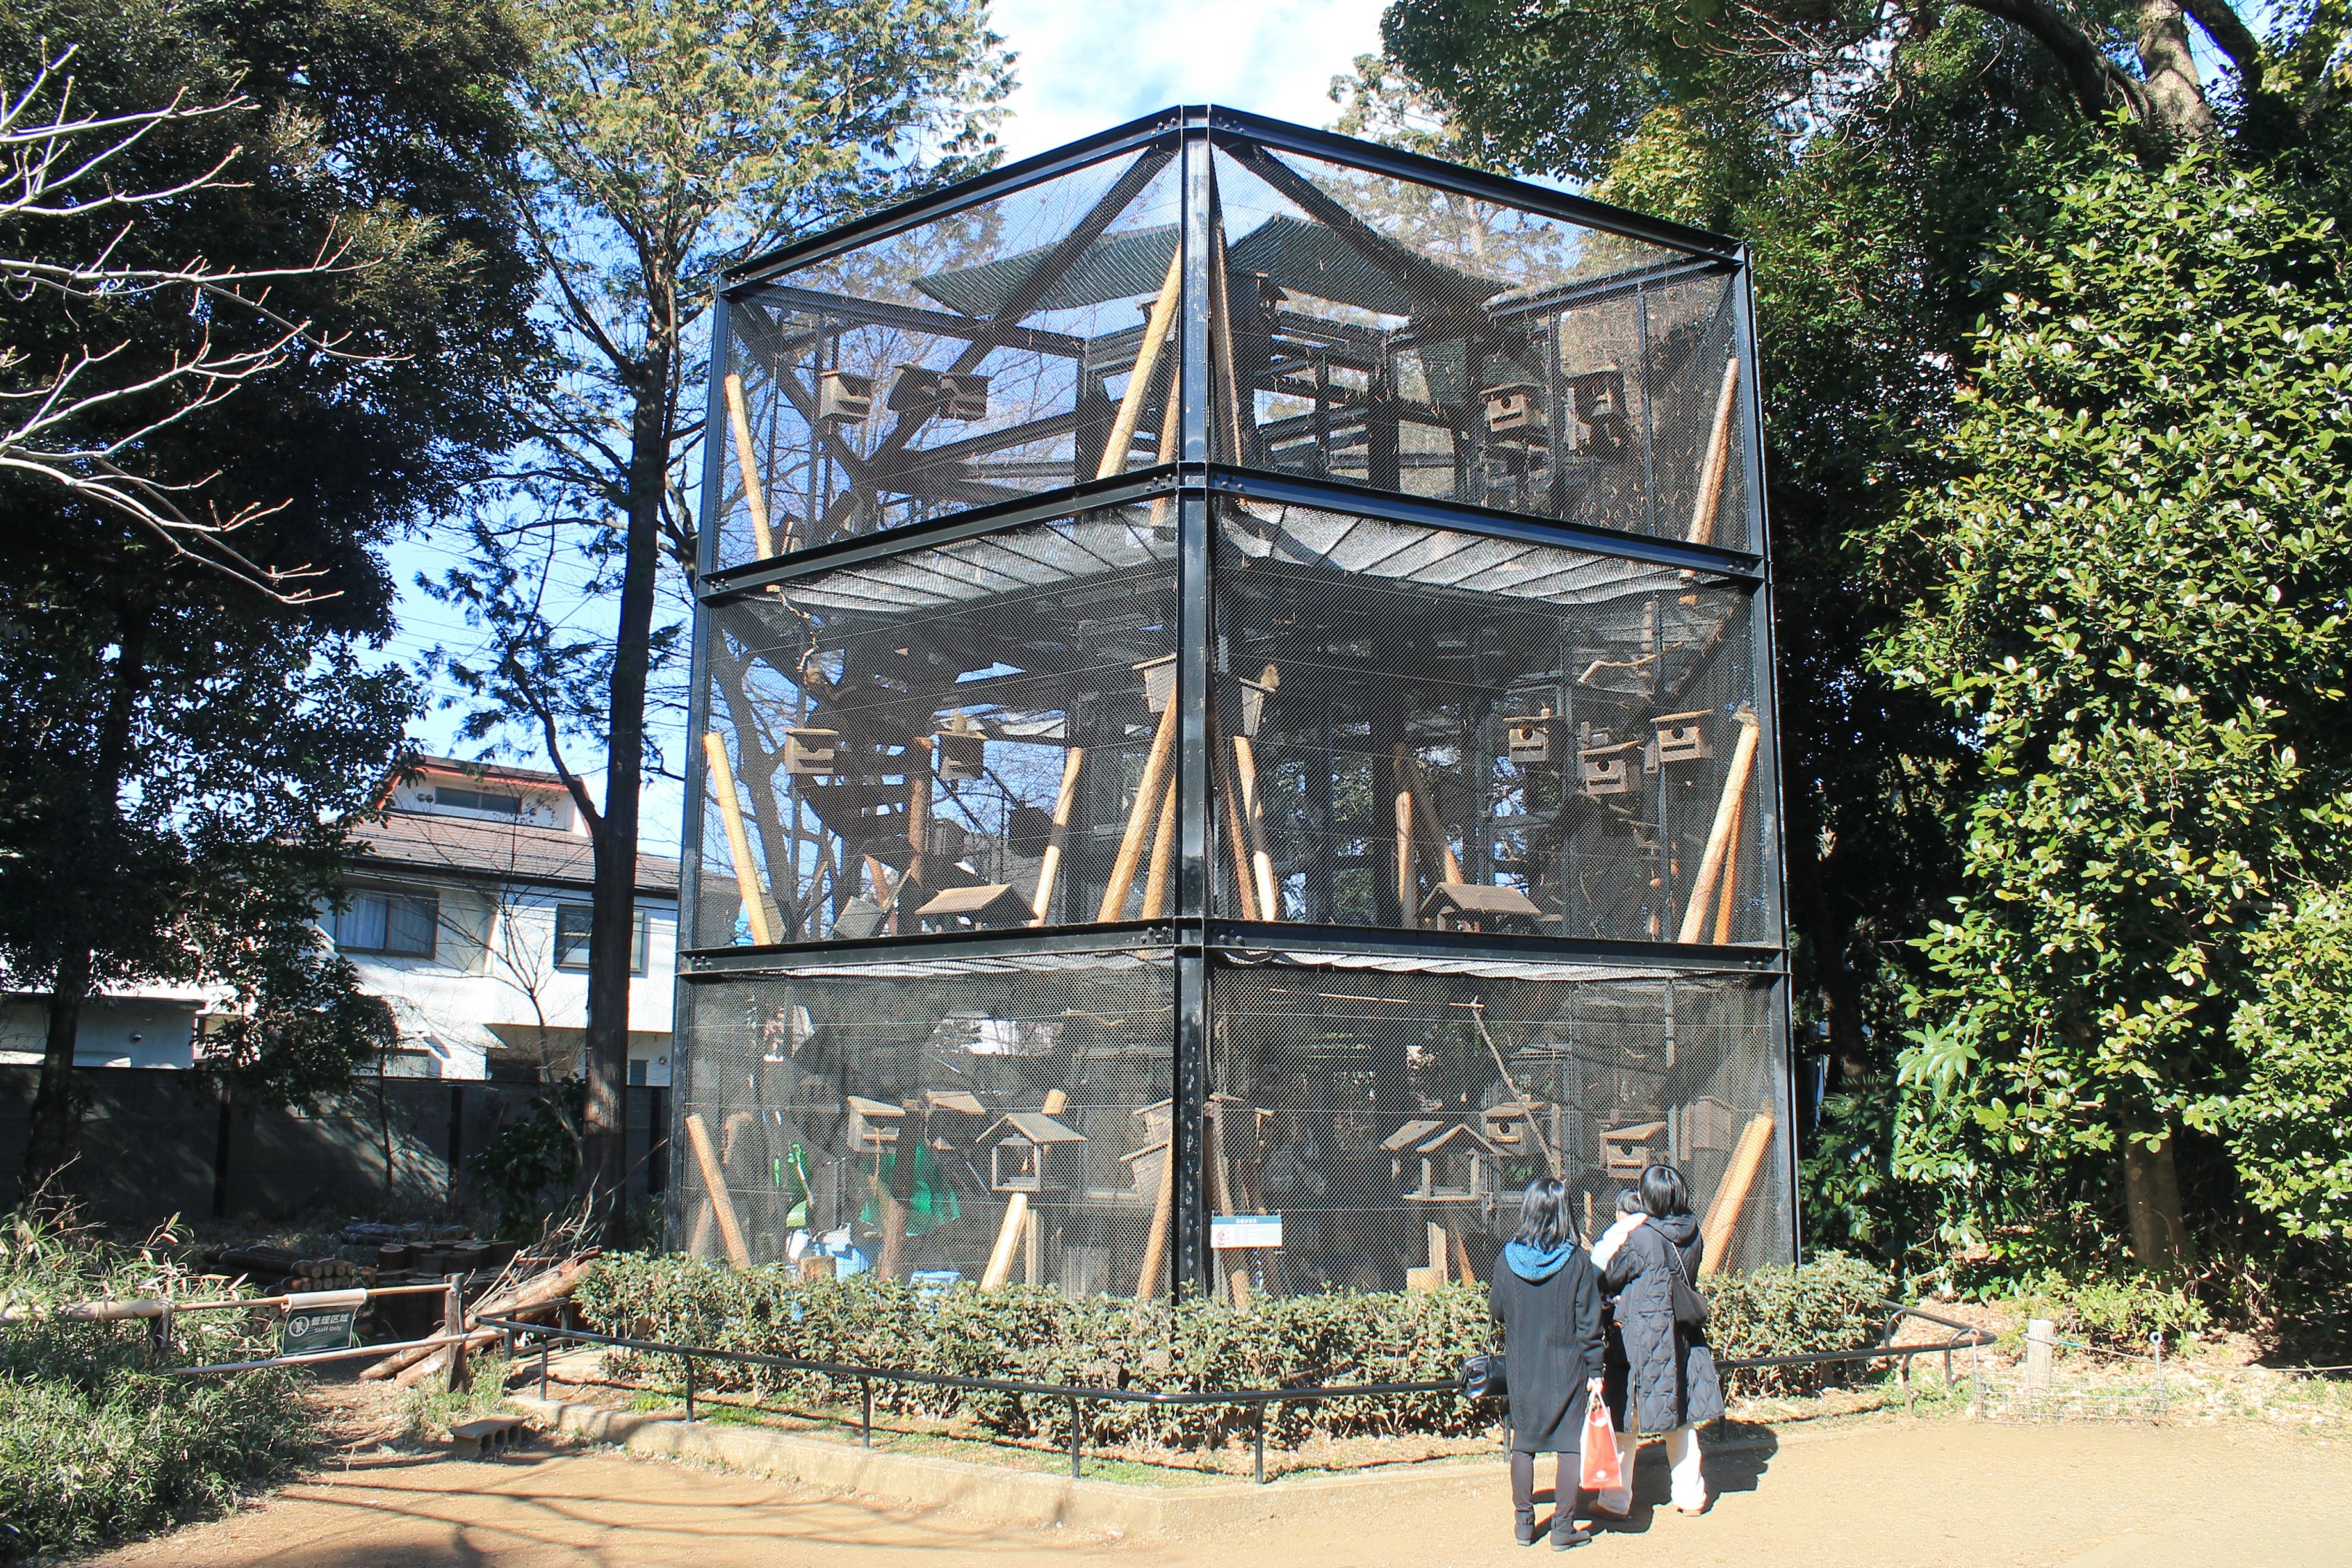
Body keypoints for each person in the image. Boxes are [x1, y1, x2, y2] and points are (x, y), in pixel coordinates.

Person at [1596, 1164, 1724, 1516]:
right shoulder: (1692, 1231)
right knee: (1680, 1418)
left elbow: (1610, 1276)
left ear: (1647, 1198)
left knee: (1626, 1419)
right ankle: (1691, 1496)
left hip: (1644, 1337)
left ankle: (1615, 1500)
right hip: (1681, 1334)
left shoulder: (1642, 1236)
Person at [1490, 1176, 1607, 1549]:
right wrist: (1596, 1372)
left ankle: (1524, 1525)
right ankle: (1562, 1529)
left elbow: (1496, 1310)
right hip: (1567, 1369)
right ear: (1563, 1213)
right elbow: (1590, 1325)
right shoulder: (1576, 1261)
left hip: (1523, 1369)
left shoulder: (1507, 1258)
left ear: (1528, 1210)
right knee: (1568, 1446)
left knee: (1523, 1445)